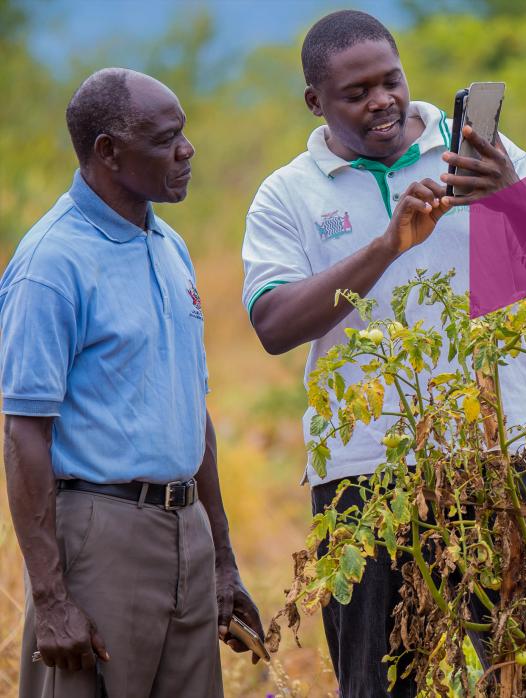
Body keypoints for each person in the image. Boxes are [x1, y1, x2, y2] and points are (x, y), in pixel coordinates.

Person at [242, 11, 526, 696]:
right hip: (367, 477)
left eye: (390, 81)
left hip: (503, 456)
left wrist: (511, 199)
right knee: (381, 680)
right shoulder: (288, 194)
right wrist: (385, 247)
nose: (382, 101)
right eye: (356, 92)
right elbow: (275, 324)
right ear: (315, 101)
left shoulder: (478, 151)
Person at [1, 68, 264, 698]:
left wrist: (222, 562)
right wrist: (54, 599)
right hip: (101, 535)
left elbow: (191, 413)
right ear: (109, 153)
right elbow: (23, 436)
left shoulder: (168, 246)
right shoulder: (50, 266)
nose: (187, 149)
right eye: (166, 137)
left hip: (187, 532)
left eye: (185, 132)